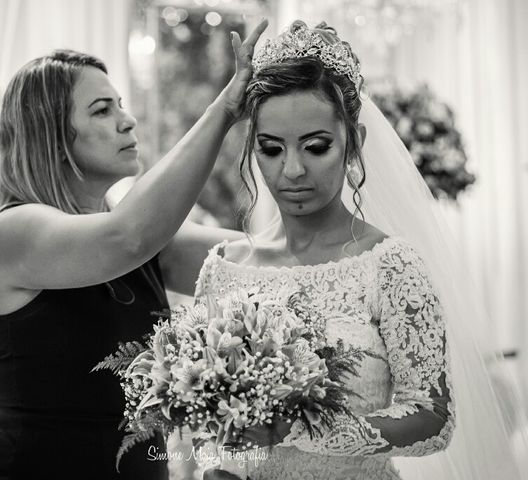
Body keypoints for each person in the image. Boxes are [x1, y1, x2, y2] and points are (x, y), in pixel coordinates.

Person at [197, 20, 526, 480]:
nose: (291, 170)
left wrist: (301, 429)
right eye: (271, 149)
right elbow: (204, 418)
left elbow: (433, 421)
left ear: (354, 144)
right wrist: (219, 466)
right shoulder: (224, 270)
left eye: (316, 147)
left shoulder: (391, 267)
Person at [0, 20, 268, 480]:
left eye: (121, 106)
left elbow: (263, 257)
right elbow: (128, 236)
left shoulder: (142, 241)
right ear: (52, 135)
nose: (126, 121)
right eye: (102, 110)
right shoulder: (15, 229)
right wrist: (225, 108)